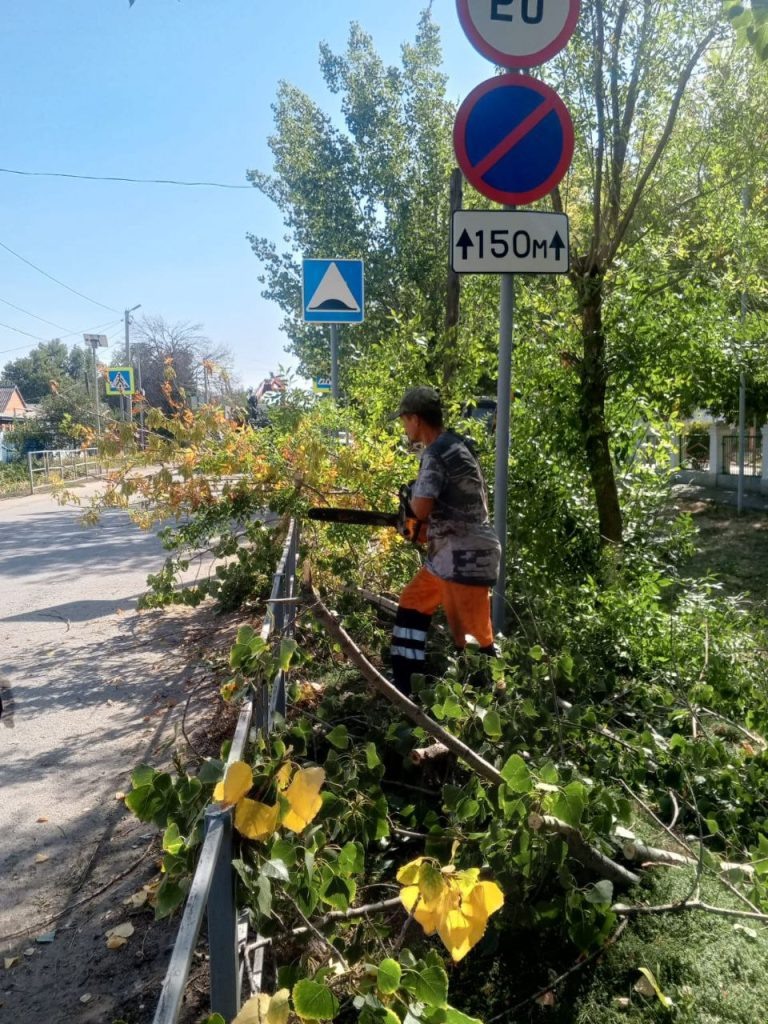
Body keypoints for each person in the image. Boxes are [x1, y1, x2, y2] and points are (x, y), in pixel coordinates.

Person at [390, 386, 501, 695]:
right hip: (450, 553)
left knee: (473, 637)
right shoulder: (457, 445)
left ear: (414, 419)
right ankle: (405, 682)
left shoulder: (436, 453)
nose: (404, 427)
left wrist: (410, 518)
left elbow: (421, 507)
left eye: (404, 421)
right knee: (413, 601)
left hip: (464, 556)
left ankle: (491, 703)